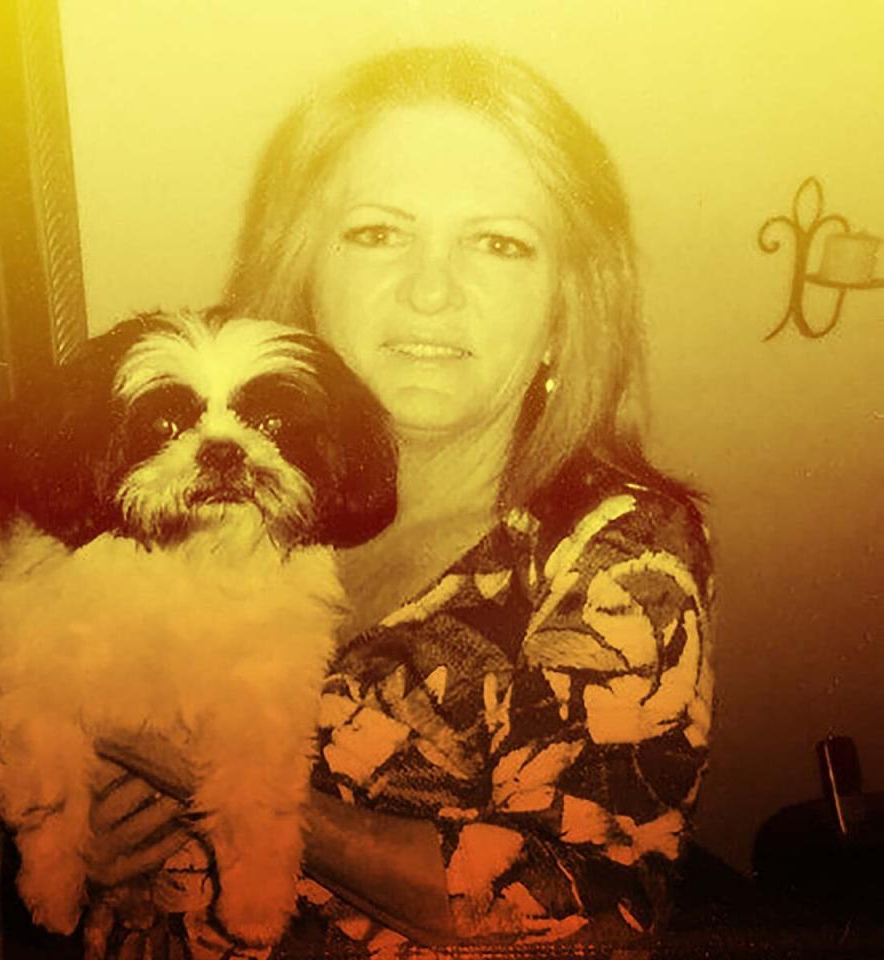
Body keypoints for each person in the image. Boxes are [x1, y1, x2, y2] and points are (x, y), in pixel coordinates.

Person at [35, 42, 715, 958]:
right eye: (378, 232)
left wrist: (199, 774)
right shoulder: (204, 483)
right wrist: (89, 843)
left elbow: (588, 904)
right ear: (304, 271)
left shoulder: (619, 558)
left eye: (500, 242)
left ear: (567, 307)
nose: (432, 291)